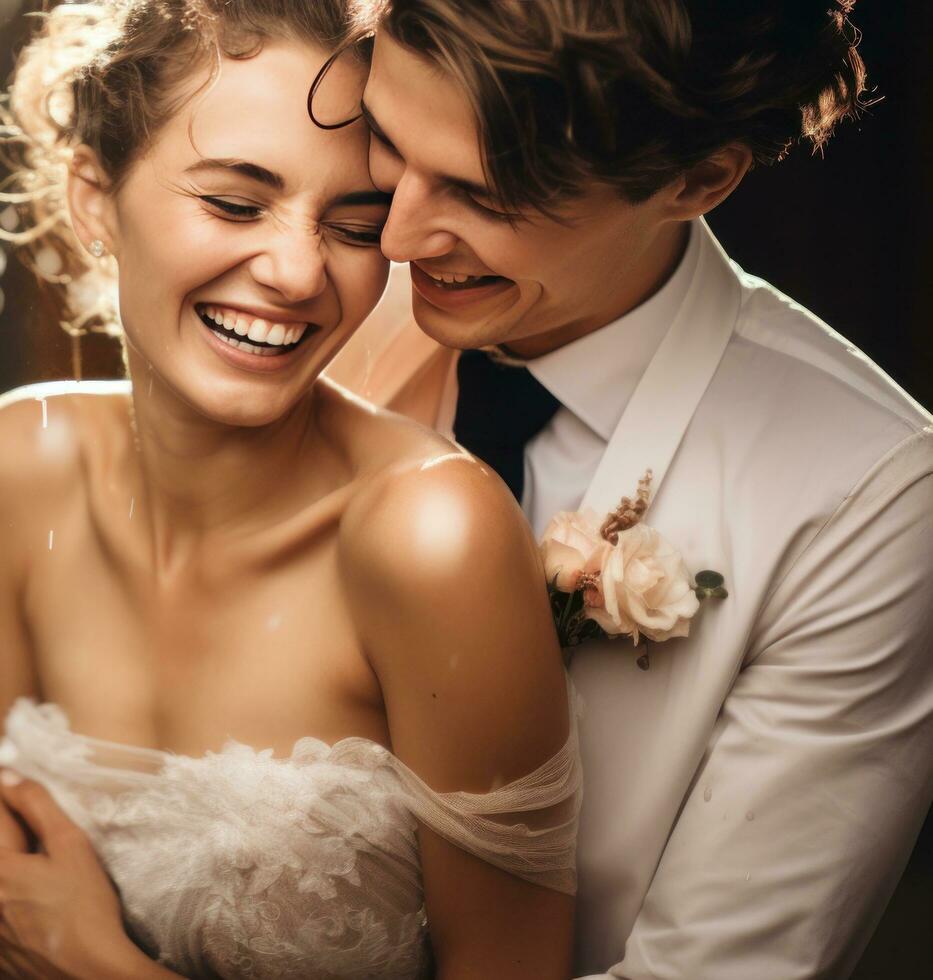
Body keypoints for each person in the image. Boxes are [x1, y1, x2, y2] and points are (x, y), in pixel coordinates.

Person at [0, 2, 580, 977]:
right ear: (95, 200)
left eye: (355, 224)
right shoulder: (13, 461)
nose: (300, 272)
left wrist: (100, 967)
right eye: (234, 202)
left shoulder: (432, 537)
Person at [319, 1, 933, 976]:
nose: (395, 237)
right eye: (387, 140)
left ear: (697, 179)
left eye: (486, 194)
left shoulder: (866, 493)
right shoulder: (304, 295)